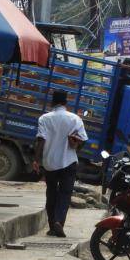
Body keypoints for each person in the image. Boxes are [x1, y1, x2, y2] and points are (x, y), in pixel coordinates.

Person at [33, 91, 88, 237]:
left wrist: (36, 160)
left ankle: (52, 226)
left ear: (52, 102)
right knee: (65, 193)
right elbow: (83, 140)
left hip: (50, 163)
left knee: (51, 193)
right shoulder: (75, 119)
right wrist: (75, 145)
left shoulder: (44, 118)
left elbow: (41, 140)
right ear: (65, 103)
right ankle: (59, 221)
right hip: (69, 162)